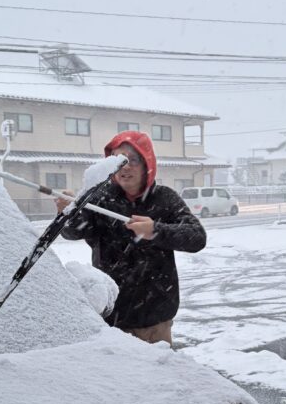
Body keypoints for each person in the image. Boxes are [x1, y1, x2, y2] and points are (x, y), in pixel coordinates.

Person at [56, 130, 206, 346]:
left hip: (156, 320)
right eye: (118, 161)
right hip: (112, 321)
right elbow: (73, 231)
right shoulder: (99, 198)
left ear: (147, 163)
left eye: (132, 160)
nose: (125, 167)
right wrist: (68, 211)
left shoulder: (165, 198)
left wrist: (155, 230)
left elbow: (196, 238)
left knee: (159, 378)